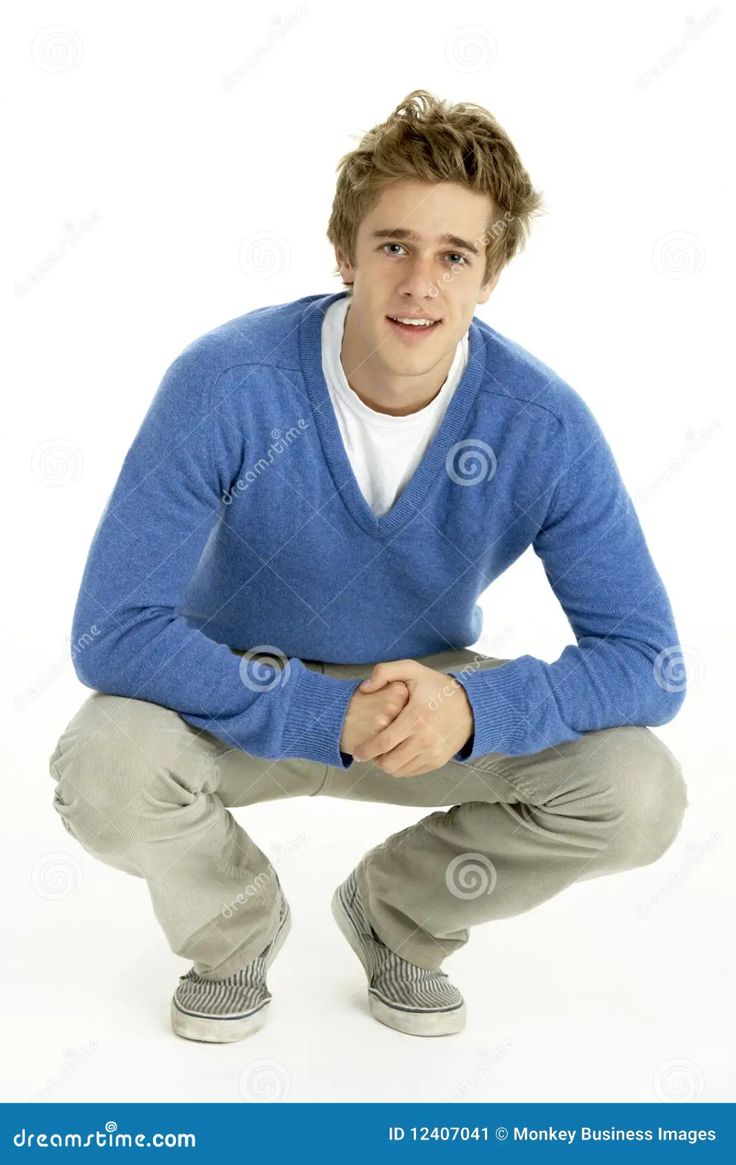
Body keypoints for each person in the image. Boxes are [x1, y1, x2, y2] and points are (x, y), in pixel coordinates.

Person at [49, 90, 688, 1043]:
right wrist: (314, 711)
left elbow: (647, 661)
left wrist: (472, 710)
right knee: (103, 763)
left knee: (642, 791)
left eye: (454, 255)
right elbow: (112, 632)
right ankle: (236, 931)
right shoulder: (228, 382)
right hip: (239, 695)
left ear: (490, 276)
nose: (419, 283)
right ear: (345, 254)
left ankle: (399, 914)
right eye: (393, 246)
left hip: (421, 709)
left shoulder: (543, 426)